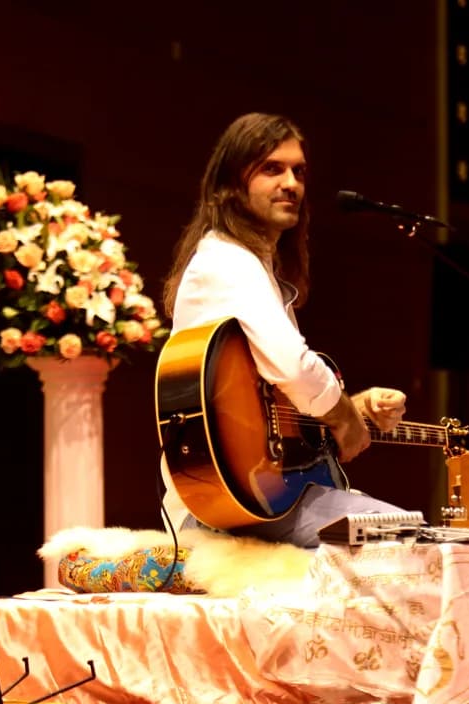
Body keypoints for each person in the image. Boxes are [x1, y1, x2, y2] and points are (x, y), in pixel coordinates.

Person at [160, 112, 408, 548]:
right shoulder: (228, 262)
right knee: (406, 536)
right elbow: (293, 368)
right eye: (272, 169)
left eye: (299, 171)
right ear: (230, 183)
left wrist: (356, 406)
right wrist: (343, 416)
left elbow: (274, 395)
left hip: (258, 501)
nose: (291, 183)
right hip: (224, 507)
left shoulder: (250, 265)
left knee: (398, 531)